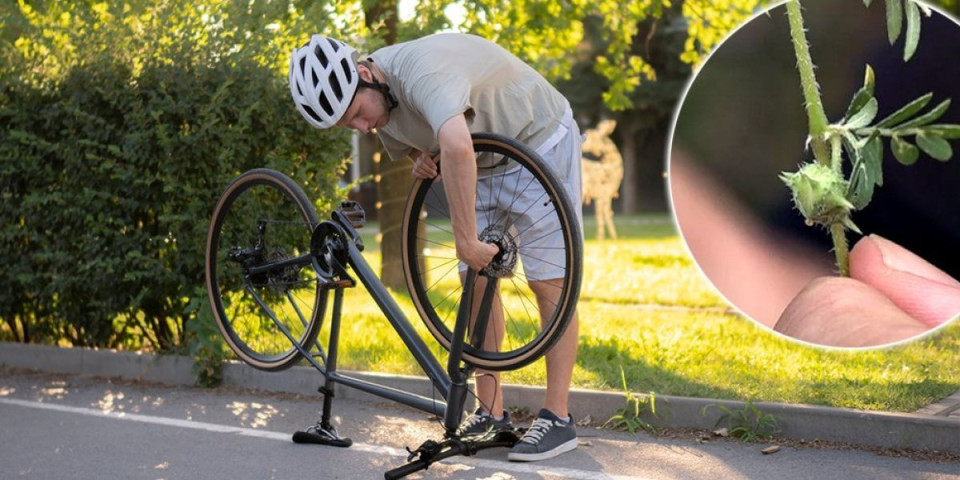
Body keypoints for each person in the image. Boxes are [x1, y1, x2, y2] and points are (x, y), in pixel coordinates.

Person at [288, 33, 583, 461]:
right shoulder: (380, 104)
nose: (361, 128)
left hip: (538, 139)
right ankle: (490, 413)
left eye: (356, 114)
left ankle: (558, 418)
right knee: (479, 283)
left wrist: (464, 240)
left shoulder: (420, 71)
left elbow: (457, 146)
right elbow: (421, 142)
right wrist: (416, 158)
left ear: (366, 75)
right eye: (347, 126)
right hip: (484, 157)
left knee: (549, 283)